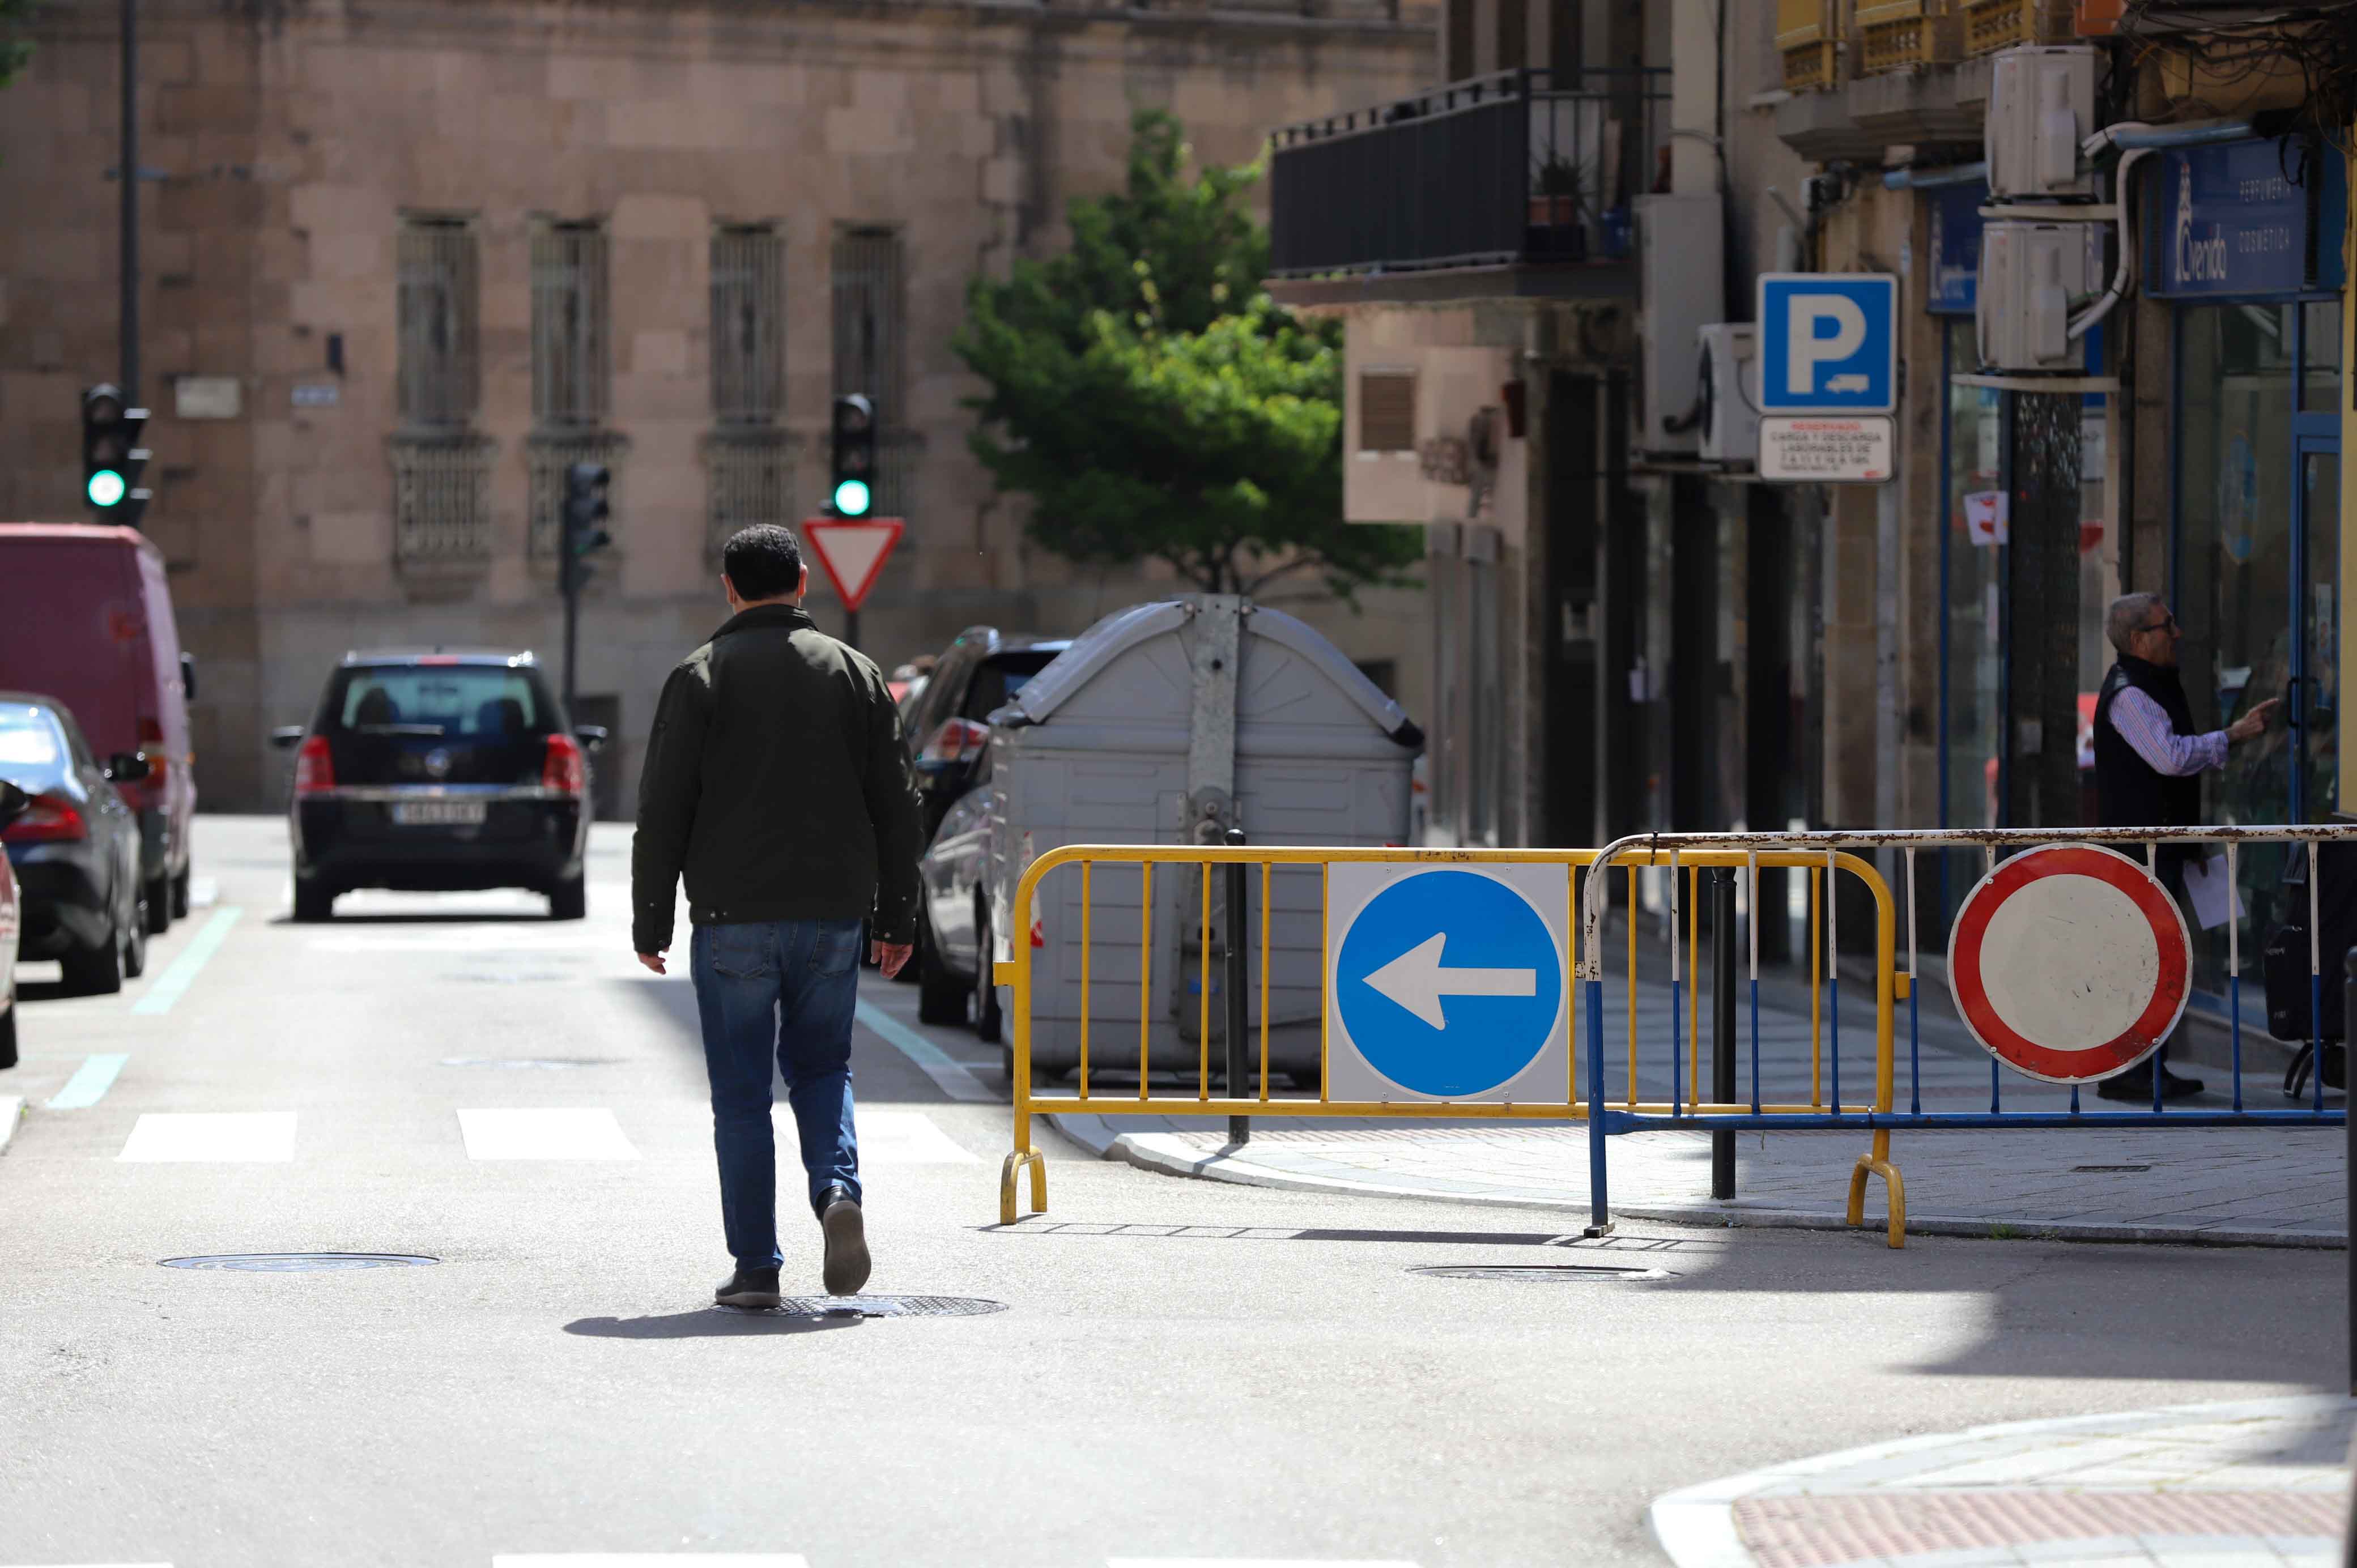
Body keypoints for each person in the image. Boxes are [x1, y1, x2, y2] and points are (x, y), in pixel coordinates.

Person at [631, 524, 924, 1306]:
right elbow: (899, 806)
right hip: (832, 914)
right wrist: (897, 917)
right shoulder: (856, 673)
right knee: (824, 1067)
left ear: (728, 588)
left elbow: (663, 808)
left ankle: (757, 1267)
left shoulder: (699, 675)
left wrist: (651, 922)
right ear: (801, 579)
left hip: (730, 916)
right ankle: (837, 1191)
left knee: (741, 1095)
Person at [2091, 591, 2278, 1102]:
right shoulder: (2130, 694)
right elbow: (2169, 758)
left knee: (2160, 959)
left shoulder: (2151, 684)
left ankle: (2148, 1067)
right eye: (2166, 625)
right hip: (2143, 857)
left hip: (2165, 850)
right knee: (2143, 961)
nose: (2177, 633)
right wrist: (2233, 735)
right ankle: (2130, 1071)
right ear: (2138, 640)